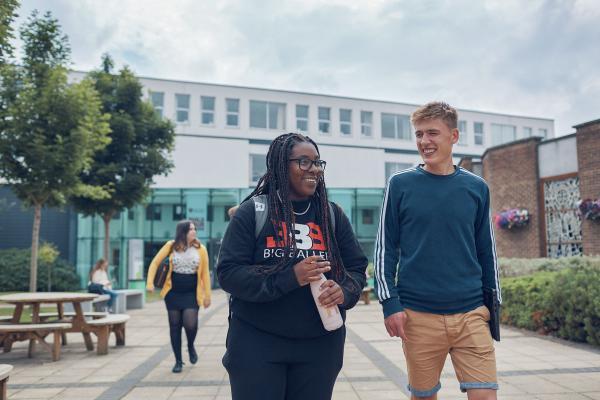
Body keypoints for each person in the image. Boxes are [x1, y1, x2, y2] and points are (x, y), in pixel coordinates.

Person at [217, 132, 368, 400]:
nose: (315, 170)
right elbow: (229, 274)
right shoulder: (252, 212)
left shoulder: (331, 215)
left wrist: (344, 291)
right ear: (280, 165)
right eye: (304, 162)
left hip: (320, 347)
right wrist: (290, 277)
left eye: (318, 163)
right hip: (257, 344)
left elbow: (356, 267)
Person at [374, 102, 501, 400]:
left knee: (486, 395)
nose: (424, 141)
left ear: (453, 136)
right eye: (419, 134)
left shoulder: (477, 188)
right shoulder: (400, 184)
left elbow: (487, 251)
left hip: (471, 314)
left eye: (432, 133)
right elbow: (385, 247)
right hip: (418, 316)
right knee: (424, 396)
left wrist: (491, 307)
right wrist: (389, 303)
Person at [146, 220, 212, 373]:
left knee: (191, 325)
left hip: (191, 294)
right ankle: (178, 361)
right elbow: (155, 263)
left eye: (195, 229)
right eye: (191, 229)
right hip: (173, 294)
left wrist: (207, 296)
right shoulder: (170, 246)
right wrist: (150, 283)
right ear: (183, 232)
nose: (194, 231)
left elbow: (205, 275)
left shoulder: (201, 249)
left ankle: (190, 345)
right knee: (175, 327)